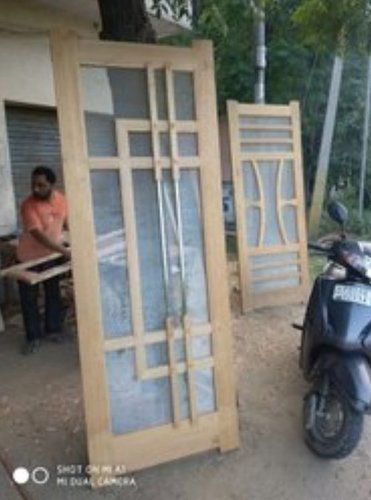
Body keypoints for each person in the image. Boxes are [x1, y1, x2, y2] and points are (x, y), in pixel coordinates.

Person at [17, 166, 70, 355]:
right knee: (29, 299)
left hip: (50, 255)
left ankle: (52, 330)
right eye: (33, 185)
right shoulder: (28, 205)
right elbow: (38, 235)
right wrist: (64, 251)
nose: (36, 189)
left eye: (41, 185)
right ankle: (33, 337)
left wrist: (75, 241)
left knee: (52, 293)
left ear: (51, 184)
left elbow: (67, 222)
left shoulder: (61, 200)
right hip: (28, 257)